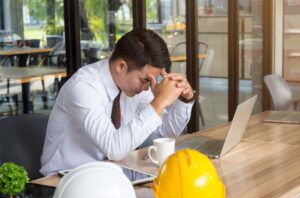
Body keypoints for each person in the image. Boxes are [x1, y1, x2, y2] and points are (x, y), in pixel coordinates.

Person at [40, 28, 195, 176]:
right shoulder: (84, 87)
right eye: (146, 80)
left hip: (110, 174)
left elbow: (163, 134)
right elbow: (114, 148)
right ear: (121, 66)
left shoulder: (134, 87)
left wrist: (184, 100)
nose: (148, 87)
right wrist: (160, 102)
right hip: (65, 180)